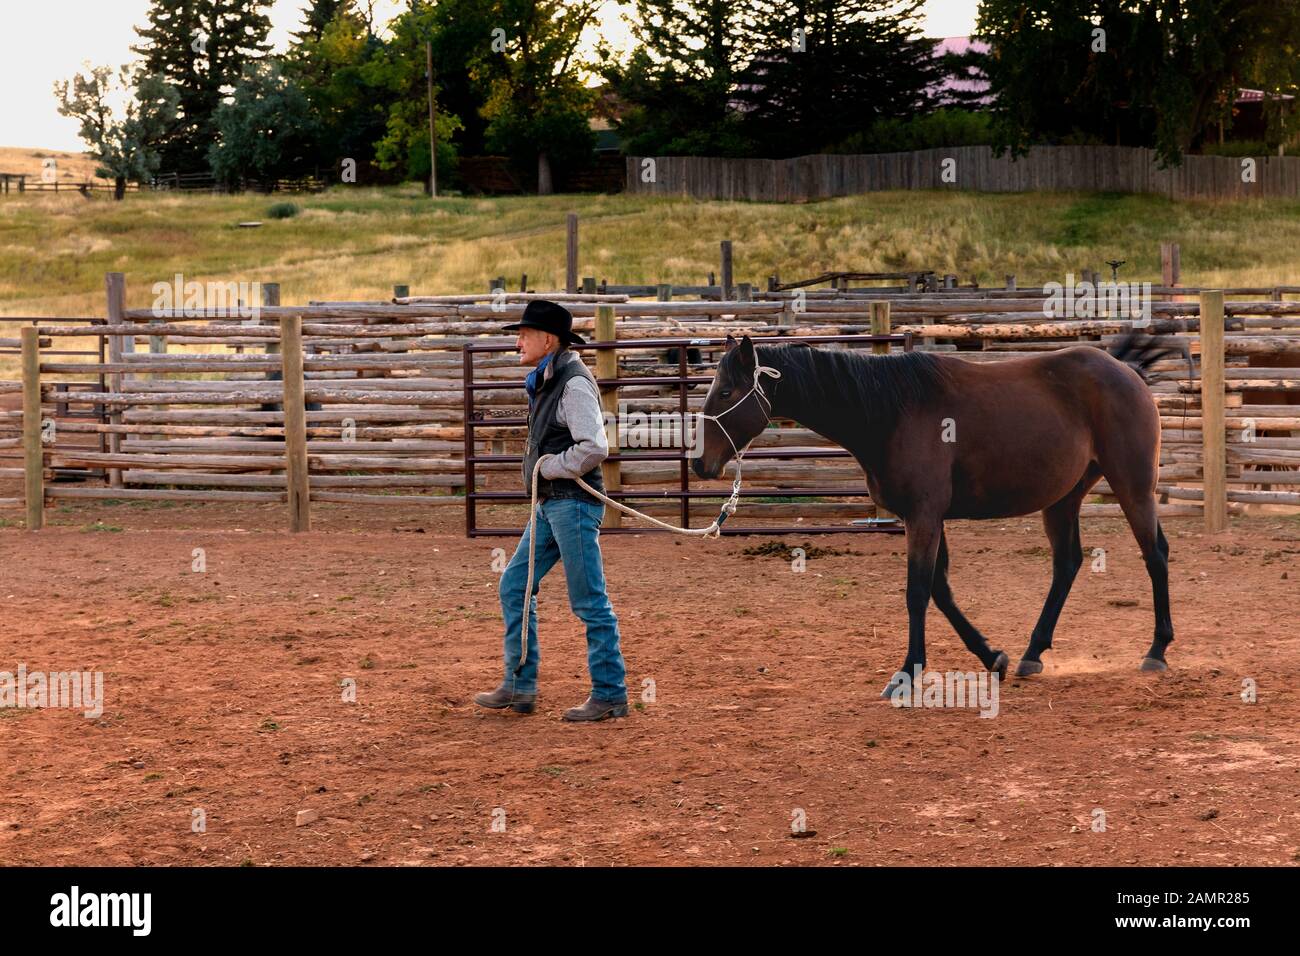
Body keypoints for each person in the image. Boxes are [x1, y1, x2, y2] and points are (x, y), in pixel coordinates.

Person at [473, 300, 629, 721]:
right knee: (514, 585)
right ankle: (520, 686)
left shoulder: (573, 383)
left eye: (524, 334)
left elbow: (595, 448)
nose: (518, 341)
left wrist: (552, 467)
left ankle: (611, 693)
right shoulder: (548, 378)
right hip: (552, 504)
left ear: (549, 339)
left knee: (589, 601)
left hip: (572, 504)